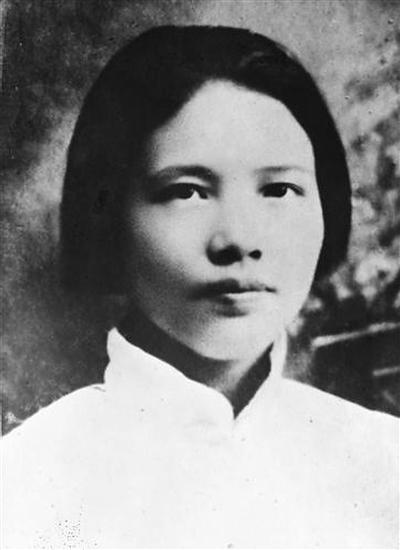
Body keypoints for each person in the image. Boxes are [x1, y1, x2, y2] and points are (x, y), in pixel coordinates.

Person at [1, 25, 398, 549]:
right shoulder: (26, 484)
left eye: (280, 189)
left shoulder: (382, 464)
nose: (239, 240)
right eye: (187, 191)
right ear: (108, 215)